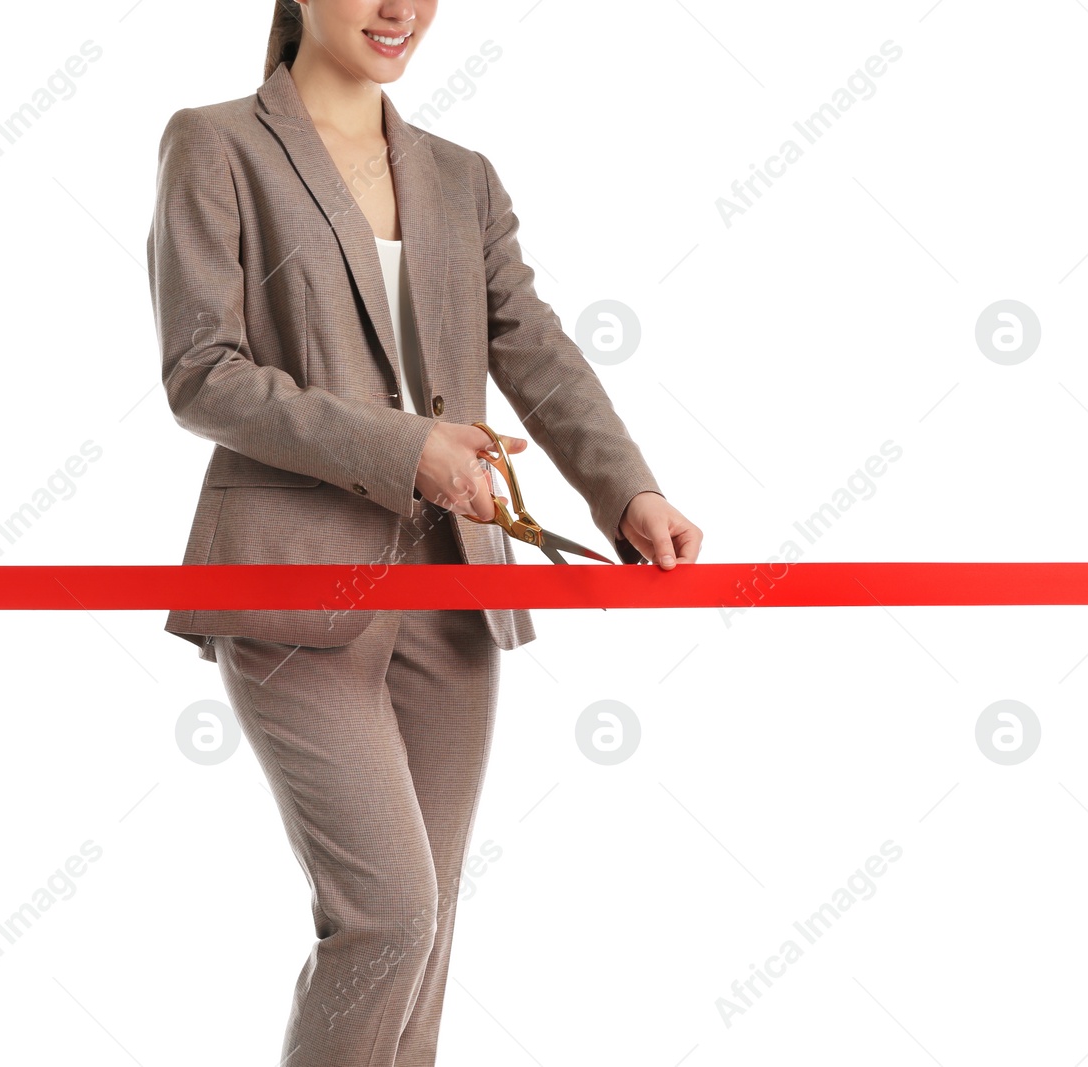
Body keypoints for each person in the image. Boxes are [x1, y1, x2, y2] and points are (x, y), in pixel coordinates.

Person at [146, 2, 702, 1063]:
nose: (401, 7)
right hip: (293, 584)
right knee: (388, 919)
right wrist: (408, 450)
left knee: (429, 936)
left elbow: (532, 348)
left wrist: (625, 492)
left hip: (456, 595)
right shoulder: (213, 143)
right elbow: (200, 373)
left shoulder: (463, 175)